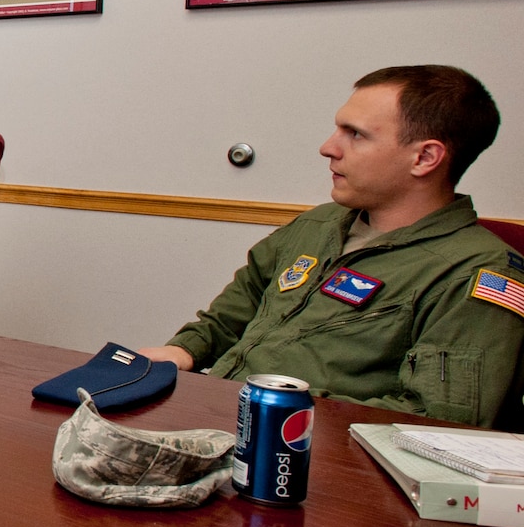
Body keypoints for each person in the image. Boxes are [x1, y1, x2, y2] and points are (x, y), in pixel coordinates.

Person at [138, 65, 523, 428]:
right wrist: (183, 352)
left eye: (355, 134)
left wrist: (270, 409)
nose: (328, 147)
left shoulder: (475, 276)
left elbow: (433, 424)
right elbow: (229, 318)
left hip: (309, 458)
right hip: (223, 419)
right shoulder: (317, 225)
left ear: (424, 157)